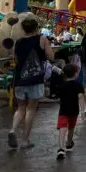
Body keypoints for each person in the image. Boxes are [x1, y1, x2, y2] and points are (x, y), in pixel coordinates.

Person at [9, 17, 53, 150]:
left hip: (19, 80)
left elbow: (15, 60)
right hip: (35, 79)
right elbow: (51, 56)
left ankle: (12, 129)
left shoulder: (19, 42)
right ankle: (25, 141)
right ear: (36, 28)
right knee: (31, 109)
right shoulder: (42, 39)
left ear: (23, 29)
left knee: (21, 108)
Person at [54, 61, 83, 160]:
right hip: (74, 111)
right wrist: (83, 111)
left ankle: (61, 148)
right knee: (71, 128)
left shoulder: (62, 85)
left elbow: (57, 97)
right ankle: (69, 143)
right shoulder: (78, 85)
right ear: (75, 74)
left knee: (62, 128)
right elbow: (80, 97)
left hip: (63, 111)